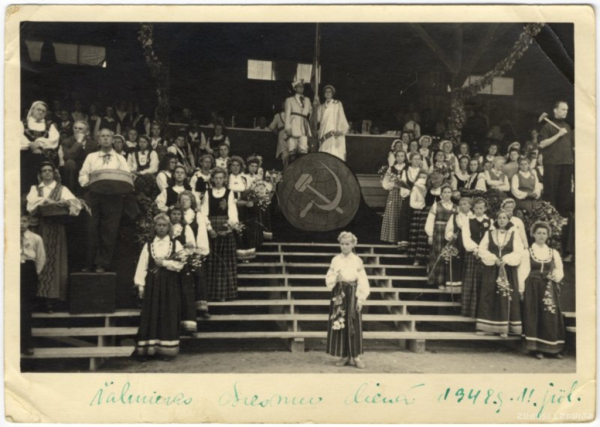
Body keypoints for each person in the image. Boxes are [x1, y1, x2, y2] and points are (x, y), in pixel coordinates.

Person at [26, 162, 82, 311]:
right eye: (44, 171)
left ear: (54, 173)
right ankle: (39, 299)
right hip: (40, 228)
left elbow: (77, 205)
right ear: (40, 174)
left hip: (57, 229)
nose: (47, 173)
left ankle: (53, 299)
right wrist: (45, 200)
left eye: (49, 170)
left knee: (55, 261)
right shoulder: (35, 188)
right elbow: (30, 205)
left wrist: (66, 203)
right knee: (39, 259)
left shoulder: (62, 189)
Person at [78, 127, 131, 272]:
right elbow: (83, 174)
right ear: (98, 140)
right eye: (103, 136)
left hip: (113, 197)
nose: (106, 138)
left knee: (109, 230)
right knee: (90, 229)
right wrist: (88, 183)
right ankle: (89, 262)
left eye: (108, 136)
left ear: (113, 139)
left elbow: (127, 176)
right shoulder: (91, 157)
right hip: (94, 195)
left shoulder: (120, 158)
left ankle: (102, 263)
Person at [134, 214, 185, 359]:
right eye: (159, 225)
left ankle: (166, 350)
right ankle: (149, 349)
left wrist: (165, 263)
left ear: (169, 227)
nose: (161, 228)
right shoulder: (148, 245)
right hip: (153, 285)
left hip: (169, 284)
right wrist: (141, 286)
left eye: (164, 225)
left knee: (167, 313)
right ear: (155, 227)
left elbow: (181, 264)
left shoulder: (175, 244)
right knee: (151, 313)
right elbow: (142, 266)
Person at [518, 221, 566, 359]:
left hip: (548, 287)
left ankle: (553, 349)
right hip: (533, 287)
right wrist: (521, 290)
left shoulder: (553, 252)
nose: (541, 236)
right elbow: (522, 272)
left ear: (548, 235)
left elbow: (559, 270)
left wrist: (555, 276)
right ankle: (536, 348)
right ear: (533, 234)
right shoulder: (527, 252)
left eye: (544, 233)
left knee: (550, 316)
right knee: (534, 315)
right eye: (538, 233)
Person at [325, 232, 370, 369]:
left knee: (353, 324)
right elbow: (328, 277)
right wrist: (335, 278)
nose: (344, 246)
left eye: (347, 244)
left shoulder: (357, 260)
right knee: (340, 323)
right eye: (342, 244)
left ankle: (356, 356)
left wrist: (360, 299)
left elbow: (363, 280)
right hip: (339, 293)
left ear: (353, 244)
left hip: (352, 294)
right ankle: (344, 356)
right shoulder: (335, 260)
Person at [476, 210, 524, 337]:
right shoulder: (489, 233)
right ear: (496, 219)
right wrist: (494, 259)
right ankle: (487, 327)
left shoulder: (514, 233)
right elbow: (482, 249)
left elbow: (519, 251)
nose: (502, 220)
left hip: (507, 270)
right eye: (500, 217)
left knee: (505, 296)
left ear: (508, 220)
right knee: (489, 294)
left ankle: (505, 328)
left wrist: (506, 260)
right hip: (492, 269)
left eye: (504, 218)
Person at [200, 167, 239, 301]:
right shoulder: (207, 193)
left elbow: (233, 212)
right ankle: (212, 294)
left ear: (224, 179)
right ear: (212, 179)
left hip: (225, 228)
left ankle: (226, 294)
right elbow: (203, 213)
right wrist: (209, 229)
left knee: (225, 262)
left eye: (221, 178)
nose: (218, 180)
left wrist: (229, 228)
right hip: (212, 228)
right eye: (216, 178)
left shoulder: (229, 192)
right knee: (212, 261)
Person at [538, 101, 574, 216]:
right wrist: (558, 134)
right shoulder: (547, 126)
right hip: (552, 164)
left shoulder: (567, 127)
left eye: (567, 110)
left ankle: (563, 217)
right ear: (555, 110)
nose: (565, 112)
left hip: (567, 163)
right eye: (563, 109)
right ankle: (550, 218)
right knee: (551, 192)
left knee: (565, 193)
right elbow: (542, 144)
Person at [461, 198, 492, 317]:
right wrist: (475, 249)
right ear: (473, 208)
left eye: (481, 208)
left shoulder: (490, 221)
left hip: (485, 254)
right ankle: (470, 311)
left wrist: (482, 251)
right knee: (471, 281)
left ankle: (482, 312)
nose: (479, 210)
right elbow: (466, 237)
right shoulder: (468, 220)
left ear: (485, 208)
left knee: (484, 281)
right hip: (472, 253)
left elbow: (491, 237)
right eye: (477, 208)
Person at [20, 213, 46, 356]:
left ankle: (26, 345)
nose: (21, 224)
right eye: (18, 221)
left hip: (28, 271)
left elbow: (41, 258)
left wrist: (33, 273)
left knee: (25, 308)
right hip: (11, 269)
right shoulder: (6, 235)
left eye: (24, 221)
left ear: (29, 222)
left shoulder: (36, 238)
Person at [21, 101, 61, 190]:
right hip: (26, 151)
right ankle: (26, 190)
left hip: (45, 151)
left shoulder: (49, 125)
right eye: (38, 109)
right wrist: (31, 145)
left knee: (43, 159)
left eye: (43, 111)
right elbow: (18, 136)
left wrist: (39, 143)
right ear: (32, 110)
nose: (41, 112)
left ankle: (45, 189)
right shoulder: (22, 123)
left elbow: (54, 139)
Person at [425, 184, 457, 289]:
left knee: (447, 255)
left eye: (449, 192)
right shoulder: (436, 205)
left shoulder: (456, 207)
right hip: (438, 232)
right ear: (441, 194)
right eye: (445, 192)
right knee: (437, 254)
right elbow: (430, 221)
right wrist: (430, 235)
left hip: (450, 233)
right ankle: (435, 280)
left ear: (451, 194)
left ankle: (444, 281)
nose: (447, 194)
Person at [380, 150, 410, 248]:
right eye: (398, 156)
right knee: (393, 214)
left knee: (402, 215)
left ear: (405, 157)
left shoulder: (408, 168)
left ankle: (402, 239)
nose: (400, 158)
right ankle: (392, 239)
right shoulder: (391, 168)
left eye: (402, 156)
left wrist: (403, 186)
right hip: (394, 194)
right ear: (395, 158)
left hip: (405, 194)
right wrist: (394, 185)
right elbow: (385, 184)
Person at [61, 120, 98, 193]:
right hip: (72, 170)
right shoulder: (66, 142)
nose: (77, 130)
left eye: (80, 129)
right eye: (75, 128)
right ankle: (70, 192)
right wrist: (78, 142)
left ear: (87, 132)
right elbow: (69, 156)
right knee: (70, 162)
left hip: (87, 169)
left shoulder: (93, 144)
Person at [444, 197, 473, 287]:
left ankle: (467, 286)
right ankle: (456, 285)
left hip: (471, 243)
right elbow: (448, 231)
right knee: (457, 261)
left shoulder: (474, 216)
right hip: (458, 243)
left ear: (470, 205)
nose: (462, 206)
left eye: (465, 204)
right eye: (460, 205)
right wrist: (452, 235)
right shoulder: (454, 217)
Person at [315, 85, 349, 161]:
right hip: (323, 133)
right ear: (324, 94)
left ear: (332, 93)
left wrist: (340, 130)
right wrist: (315, 107)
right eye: (326, 92)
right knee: (324, 153)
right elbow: (317, 119)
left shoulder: (337, 104)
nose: (328, 93)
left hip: (333, 133)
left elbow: (341, 116)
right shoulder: (321, 106)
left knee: (333, 153)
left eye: (329, 91)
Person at [284, 79, 313, 162]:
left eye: (302, 86)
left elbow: (311, 113)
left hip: (304, 125)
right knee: (292, 148)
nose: (301, 88)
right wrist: (287, 128)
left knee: (303, 148)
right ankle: (292, 166)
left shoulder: (307, 100)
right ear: (295, 88)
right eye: (299, 86)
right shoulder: (289, 100)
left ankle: (301, 167)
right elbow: (287, 115)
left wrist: (315, 105)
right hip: (293, 124)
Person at [268, 102, 289, 168]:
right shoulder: (277, 116)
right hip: (282, 137)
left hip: (290, 137)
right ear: (282, 106)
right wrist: (276, 131)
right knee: (283, 155)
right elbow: (271, 126)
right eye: (285, 105)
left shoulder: (292, 115)